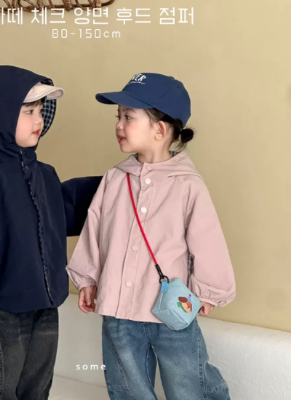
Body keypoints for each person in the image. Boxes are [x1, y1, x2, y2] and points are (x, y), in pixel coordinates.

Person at [66, 72, 236, 400]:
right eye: (117, 116)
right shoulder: (115, 179)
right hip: (118, 308)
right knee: (126, 386)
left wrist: (209, 290)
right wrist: (87, 277)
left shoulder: (187, 185)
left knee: (188, 381)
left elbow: (207, 240)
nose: (119, 124)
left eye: (128, 117)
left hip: (170, 310)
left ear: (159, 130)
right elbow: (94, 229)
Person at [0, 65, 101, 400]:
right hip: (1, 304)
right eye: (28, 111)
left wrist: (112, 188)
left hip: (44, 300)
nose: (38, 120)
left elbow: (61, 212)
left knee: (37, 381)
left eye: (40, 111)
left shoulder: (44, 174)